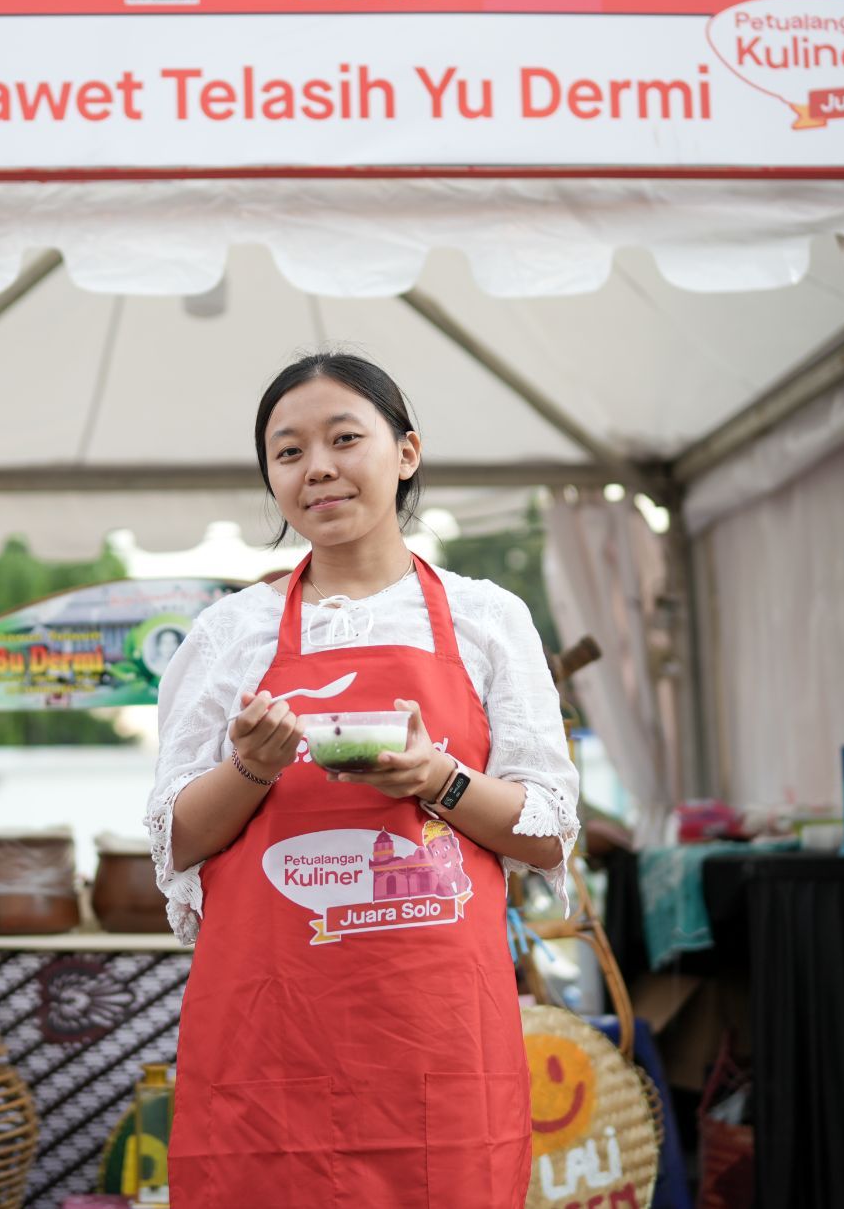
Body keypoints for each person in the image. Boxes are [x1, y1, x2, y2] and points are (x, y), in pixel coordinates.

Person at [146, 353, 580, 1208]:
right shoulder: (228, 634)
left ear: (407, 451)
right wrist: (252, 766)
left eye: (345, 439)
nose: (318, 467)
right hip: (270, 1043)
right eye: (288, 451)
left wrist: (438, 777)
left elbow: (549, 830)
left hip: (436, 1043)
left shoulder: (488, 618)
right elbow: (177, 837)